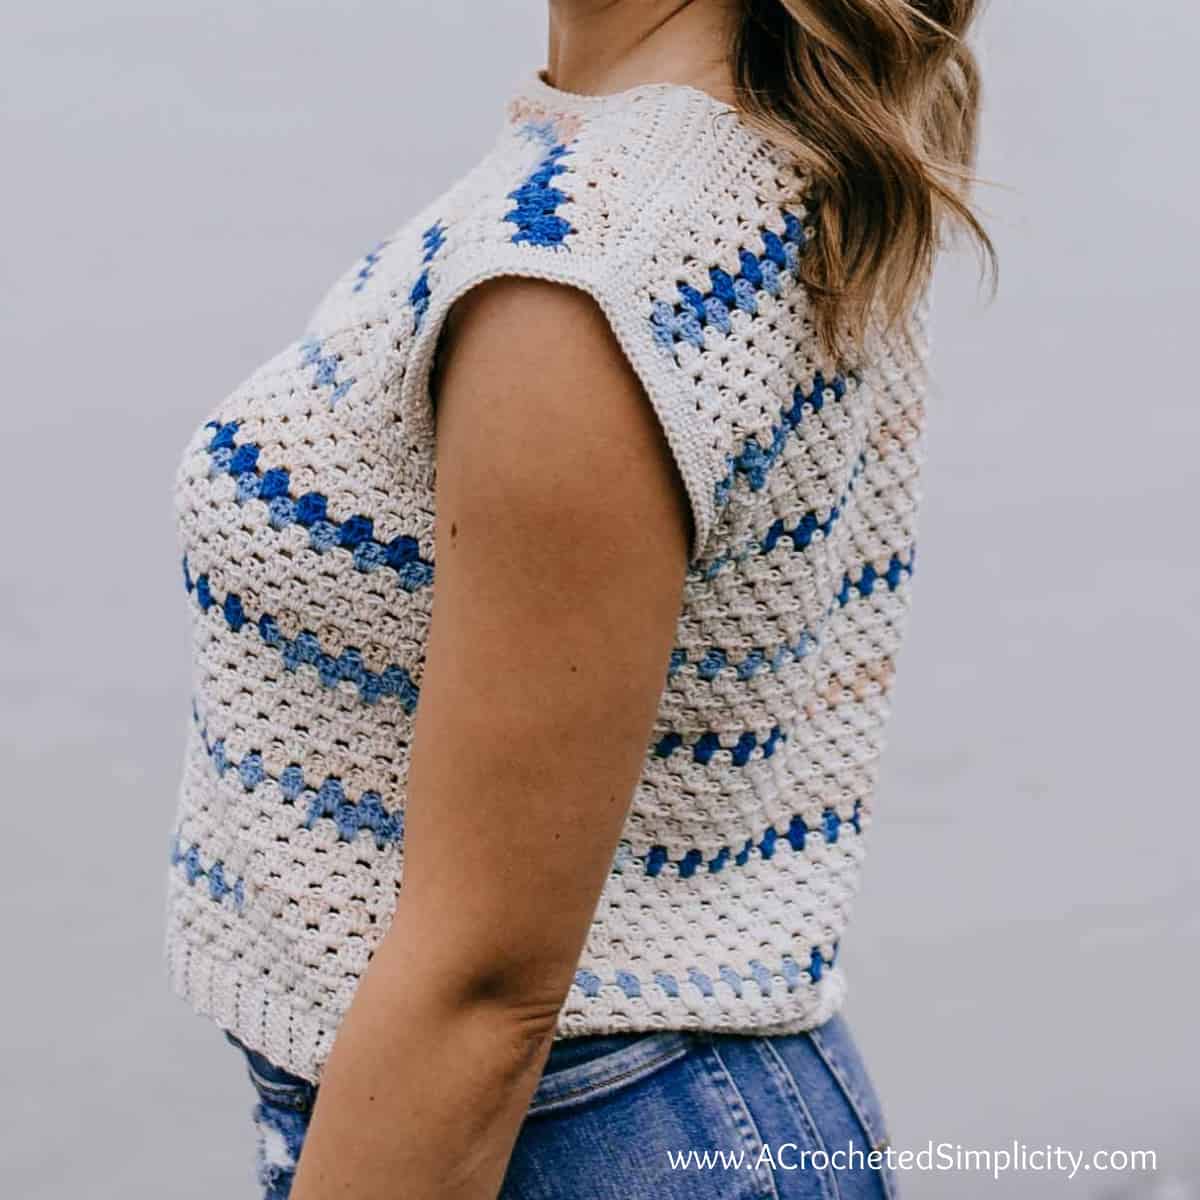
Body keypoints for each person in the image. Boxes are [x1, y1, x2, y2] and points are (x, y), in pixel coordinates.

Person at [164, 1, 993, 1196]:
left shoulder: (592, 272)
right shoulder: (759, 146)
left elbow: (481, 993)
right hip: (681, 1098)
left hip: (567, 1140)